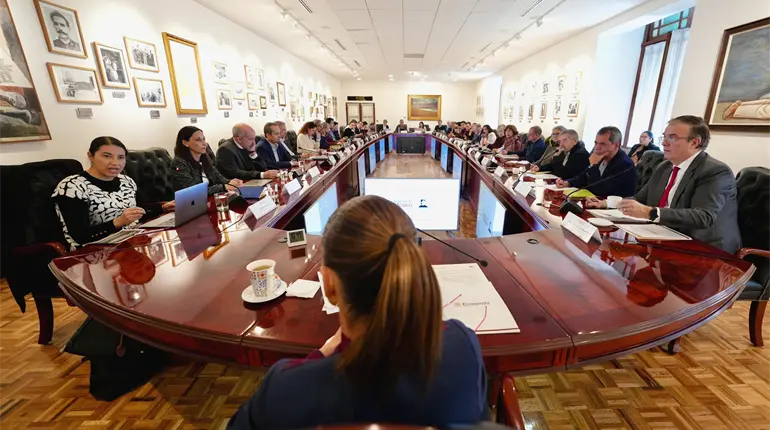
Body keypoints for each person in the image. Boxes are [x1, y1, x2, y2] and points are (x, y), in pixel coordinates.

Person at [228, 195, 488, 429]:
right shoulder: (463, 347)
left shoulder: (287, 389)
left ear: (329, 285)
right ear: (411, 268)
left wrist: (322, 353)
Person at [586, 116, 741, 253]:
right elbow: (640, 199)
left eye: (672, 138)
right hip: (664, 237)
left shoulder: (715, 171)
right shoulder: (665, 167)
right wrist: (607, 203)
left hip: (705, 249)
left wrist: (651, 213)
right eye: (664, 137)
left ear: (694, 142)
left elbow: (703, 217)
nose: (664, 143)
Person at [52, 137, 175, 250]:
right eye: (107, 156)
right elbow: (80, 236)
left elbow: (138, 210)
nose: (115, 163)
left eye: (121, 157)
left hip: (132, 241)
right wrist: (118, 222)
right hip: (94, 250)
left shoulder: (126, 181)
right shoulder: (72, 187)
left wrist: (162, 207)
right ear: (90, 156)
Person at [556, 126, 636, 197]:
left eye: (602, 144)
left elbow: (600, 190)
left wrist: (593, 165)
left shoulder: (624, 164)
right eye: (596, 143)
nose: (597, 148)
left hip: (614, 209)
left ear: (616, 145)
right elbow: (584, 177)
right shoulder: (603, 157)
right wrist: (568, 183)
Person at [172, 126, 242, 195]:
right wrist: (223, 187)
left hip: (208, 200)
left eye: (204, 139)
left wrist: (231, 182)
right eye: (198, 140)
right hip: (190, 203)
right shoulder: (179, 164)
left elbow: (219, 178)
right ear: (185, 143)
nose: (204, 143)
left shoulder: (205, 158)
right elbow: (193, 190)